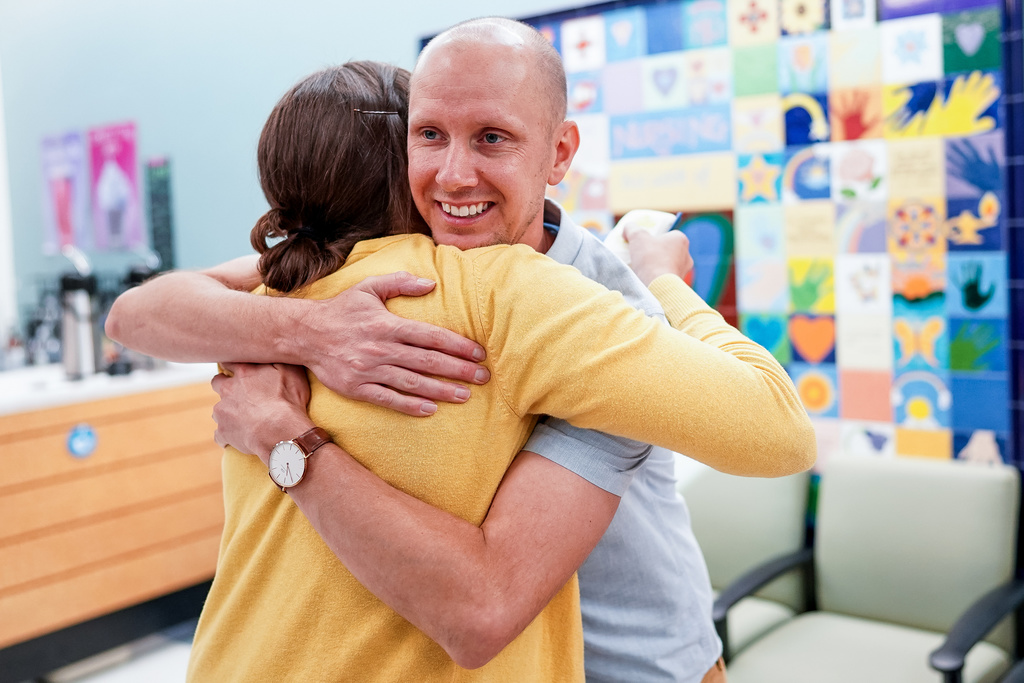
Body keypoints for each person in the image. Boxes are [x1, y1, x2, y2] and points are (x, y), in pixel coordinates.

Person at [106, 19, 815, 683]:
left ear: (559, 152)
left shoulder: (590, 303)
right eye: (431, 134)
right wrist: (310, 334)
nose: (452, 175)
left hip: (636, 665)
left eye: (492, 139)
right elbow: (137, 313)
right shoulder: (395, 263)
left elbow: (778, 430)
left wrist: (659, 282)